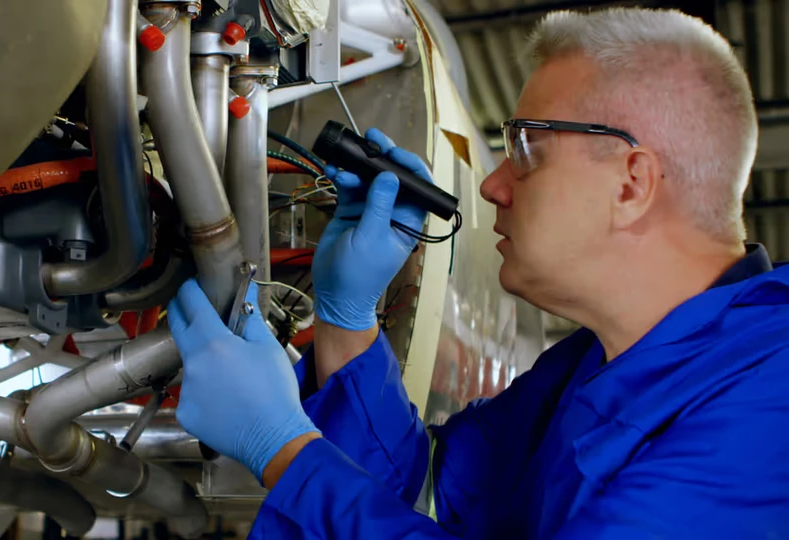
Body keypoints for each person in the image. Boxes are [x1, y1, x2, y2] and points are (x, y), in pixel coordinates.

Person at [168, 7, 789, 539]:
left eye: (525, 150)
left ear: (632, 183)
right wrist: (347, 319)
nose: (493, 185)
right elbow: (425, 495)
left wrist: (283, 451)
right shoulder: (586, 369)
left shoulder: (769, 406)